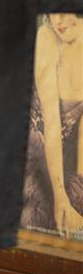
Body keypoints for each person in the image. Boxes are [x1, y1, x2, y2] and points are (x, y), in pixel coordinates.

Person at [21, 13, 83, 238]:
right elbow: (52, 124)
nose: (58, 21)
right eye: (53, 12)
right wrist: (60, 198)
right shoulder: (47, 38)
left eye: (66, 11)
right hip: (28, 149)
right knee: (45, 212)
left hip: (61, 157)